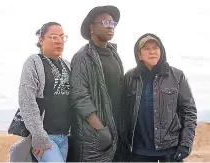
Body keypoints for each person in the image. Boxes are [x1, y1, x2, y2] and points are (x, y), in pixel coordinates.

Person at [121, 33, 197, 162]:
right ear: (139, 55)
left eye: (156, 48)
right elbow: (122, 113)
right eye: (146, 49)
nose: (152, 52)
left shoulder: (176, 76)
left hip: (170, 151)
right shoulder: (130, 77)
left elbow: (189, 111)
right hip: (138, 151)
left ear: (161, 51)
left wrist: (186, 144)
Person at [9, 22, 71, 162]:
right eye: (54, 37)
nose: (59, 41)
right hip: (45, 137)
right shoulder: (34, 63)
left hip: (64, 137)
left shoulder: (68, 65)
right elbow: (27, 100)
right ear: (41, 40)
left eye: (62, 37)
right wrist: (39, 137)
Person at [69, 5, 124, 162]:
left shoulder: (114, 54)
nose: (111, 27)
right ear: (92, 28)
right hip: (94, 138)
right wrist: (100, 130)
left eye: (113, 23)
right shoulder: (83, 57)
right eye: (105, 23)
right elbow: (79, 97)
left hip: (116, 132)